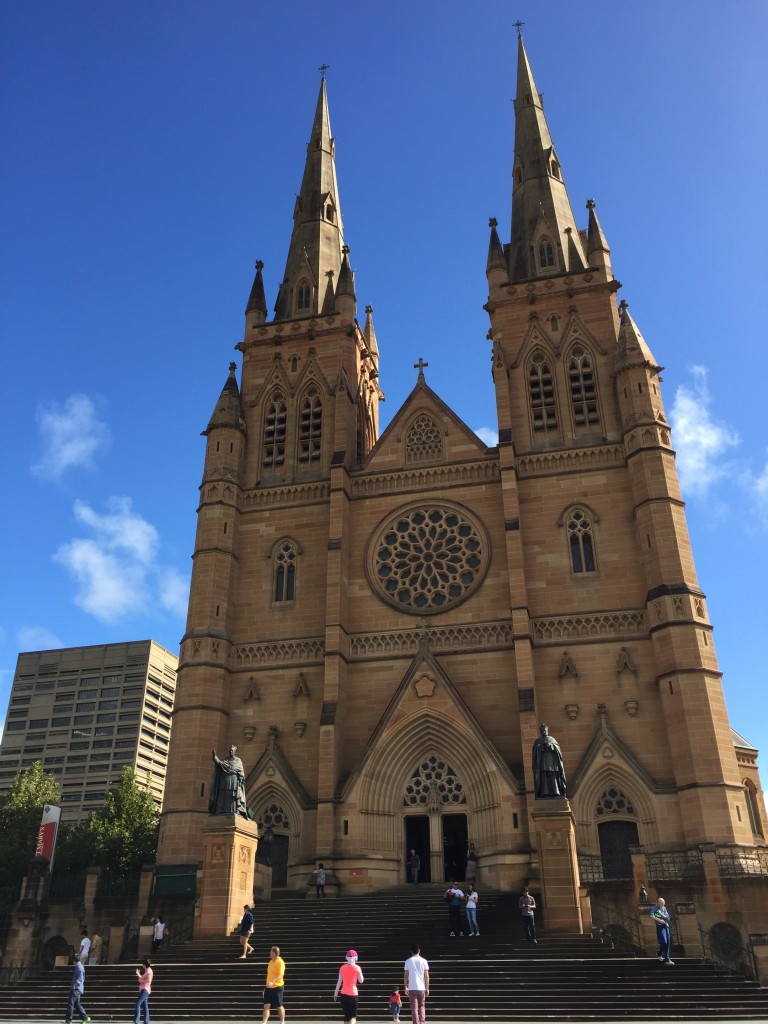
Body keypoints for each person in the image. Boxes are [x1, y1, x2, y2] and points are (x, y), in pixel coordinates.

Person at [209, 744, 248, 816]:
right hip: (224, 781)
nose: (231, 752)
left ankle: (233, 810)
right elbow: (220, 764)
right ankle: (221, 810)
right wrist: (215, 757)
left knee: (231, 796)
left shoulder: (238, 760)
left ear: (235, 751)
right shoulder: (226, 760)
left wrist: (241, 778)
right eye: (230, 750)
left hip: (233, 781)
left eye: (232, 750)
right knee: (223, 795)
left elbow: (240, 771)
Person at [532, 723, 566, 798]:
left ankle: (556, 792)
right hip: (543, 762)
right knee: (544, 778)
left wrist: (551, 746)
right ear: (540, 731)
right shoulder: (538, 741)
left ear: (547, 731)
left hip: (552, 762)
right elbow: (535, 751)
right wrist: (541, 747)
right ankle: (545, 793)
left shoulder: (552, 739)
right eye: (542, 730)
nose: (544, 731)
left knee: (553, 777)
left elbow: (557, 749)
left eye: (545, 730)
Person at [333, 949, 364, 1024]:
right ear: (356, 958)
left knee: (346, 1016)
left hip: (343, 994)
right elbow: (361, 981)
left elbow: (339, 981)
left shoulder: (342, 967)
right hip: (353, 994)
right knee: (353, 1016)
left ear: (346, 957)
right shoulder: (357, 968)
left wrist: (335, 993)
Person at [403, 942, 429, 1024]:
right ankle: (422, 1021)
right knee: (422, 1006)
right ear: (419, 950)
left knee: (414, 1007)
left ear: (411, 951)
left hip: (412, 987)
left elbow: (405, 976)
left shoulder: (408, 961)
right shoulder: (424, 961)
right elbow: (427, 976)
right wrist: (427, 988)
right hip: (421, 987)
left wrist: (405, 986)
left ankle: (416, 1022)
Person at [262, 944, 286, 1024]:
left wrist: (273, 981)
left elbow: (281, 975)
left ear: (275, 953)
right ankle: (264, 1022)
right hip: (269, 987)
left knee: (279, 1006)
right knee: (266, 1006)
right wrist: (268, 983)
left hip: (277, 987)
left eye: (271, 952)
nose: (269, 953)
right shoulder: (270, 961)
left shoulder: (280, 962)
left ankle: (282, 1022)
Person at [64, 956, 90, 1024]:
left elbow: (80, 978)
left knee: (71, 1004)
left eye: (73, 961)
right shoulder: (79, 967)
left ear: (75, 960)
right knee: (77, 1004)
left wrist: (75, 985)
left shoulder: (79, 967)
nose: (73, 963)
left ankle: (68, 1020)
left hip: (76, 989)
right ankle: (85, 1018)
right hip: (78, 988)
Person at [651, 897, 674, 965]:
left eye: (663, 904)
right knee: (663, 941)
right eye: (661, 904)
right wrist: (659, 920)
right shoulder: (655, 908)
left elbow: (667, 917)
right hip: (660, 926)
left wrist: (661, 914)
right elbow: (651, 915)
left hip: (666, 926)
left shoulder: (664, 908)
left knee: (668, 942)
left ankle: (667, 959)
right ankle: (659, 952)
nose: (662, 905)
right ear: (658, 903)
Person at [134, 957, 153, 1024]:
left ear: (145, 965)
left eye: (143, 964)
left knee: (137, 1004)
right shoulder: (146, 971)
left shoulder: (149, 971)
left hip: (145, 990)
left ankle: (136, 1021)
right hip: (143, 989)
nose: (142, 965)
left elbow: (149, 980)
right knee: (145, 1006)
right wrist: (139, 975)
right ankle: (146, 1021)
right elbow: (140, 981)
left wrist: (140, 977)